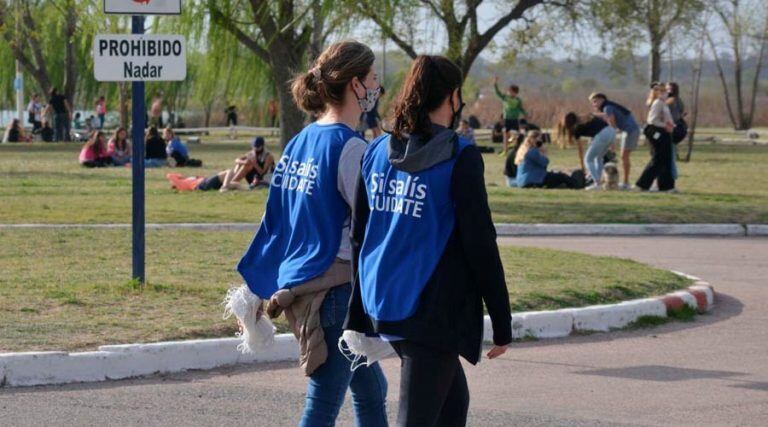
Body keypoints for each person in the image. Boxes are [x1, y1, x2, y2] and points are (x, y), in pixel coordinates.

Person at [344, 55, 511, 427]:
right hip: (431, 309)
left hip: (383, 301)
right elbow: (481, 243)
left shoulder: (376, 151)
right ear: (453, 97)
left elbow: (359, 234)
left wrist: (358, 310)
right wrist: (501, 321)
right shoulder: (460, 155)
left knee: (453, 407)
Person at [235, 41, 388, 427]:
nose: (376, 87)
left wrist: (260, 281)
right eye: (373, 79)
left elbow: (277, 220)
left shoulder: (300, 141)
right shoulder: (351, 147)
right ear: (355, 85)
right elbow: (374, 225)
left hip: (307, 288)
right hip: (335, 294)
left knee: (372, 391)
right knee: (322, 407)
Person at [589, 92, 640, 190]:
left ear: (601, 99)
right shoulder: (609, 106)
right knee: (624, 157)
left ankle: (626, 183)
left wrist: (612, 143)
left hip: (631, 131)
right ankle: (625, 182)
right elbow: (605, 117)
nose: (593, 104)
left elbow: (611, 124)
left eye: (595, 101)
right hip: (629, 131)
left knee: (624, 157)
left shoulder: (607, 107)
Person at [557, 112, 616, 190]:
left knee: (588, 160)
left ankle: (597, 183)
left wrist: (583, 167)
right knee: (598, 158)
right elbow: (602, 116)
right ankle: (599, 182)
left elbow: (580, 150)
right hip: (611, 131)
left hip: (602, 135)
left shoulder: (576, 129)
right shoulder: (586, 117)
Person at [636, 83, 676, 192]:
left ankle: (666, 186)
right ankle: (643, 184)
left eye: (666, 91)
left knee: (666, 159)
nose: (666, 93)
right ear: (658, 93)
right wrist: (666, 126)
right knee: (658, 159)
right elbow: (652, 120)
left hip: (663, 132)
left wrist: (671, 125)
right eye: (663, 92)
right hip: (656, 132)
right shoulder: (658, 103)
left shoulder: (663, 103)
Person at [515, 130, 579, 189]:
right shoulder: (532, 151)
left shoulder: (522, 149)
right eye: (539, 139)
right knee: (562, 176)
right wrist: (544, 152)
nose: (541, 141)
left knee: (555, 178)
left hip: (522, 181)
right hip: (533, 179)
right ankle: (577, 185)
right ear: (533, 139)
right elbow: (545, 162)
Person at [493, 76, 527, 156]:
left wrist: (526, 114)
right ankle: (505, 151)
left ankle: (515, 147)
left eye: (510, 91)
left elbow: (521, 108)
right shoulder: (505, 98)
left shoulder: (518, 100)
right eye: (508, 91)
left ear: (515, 92)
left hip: (514, 119)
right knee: (505, 134)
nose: (508, 92)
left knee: (517, 134)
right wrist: (495, 84)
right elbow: (498, 93)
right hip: (506, 119)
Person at [666, 81, 686, 180]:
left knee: (669, 154)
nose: (667, 90)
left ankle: (672, 175)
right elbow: (683, 113)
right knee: (671, 152)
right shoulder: (679, 100)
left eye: (669, 88)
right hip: (675, 129)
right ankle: (672, 174)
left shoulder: (670, 101)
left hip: (670, 129)